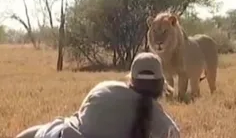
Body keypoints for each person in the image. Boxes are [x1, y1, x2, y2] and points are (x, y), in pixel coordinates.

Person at [16, 52, 180, 138]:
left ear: (131, 79)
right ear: (161, 85)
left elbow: (76, 121)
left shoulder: (105, 89)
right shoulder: (167, 127)